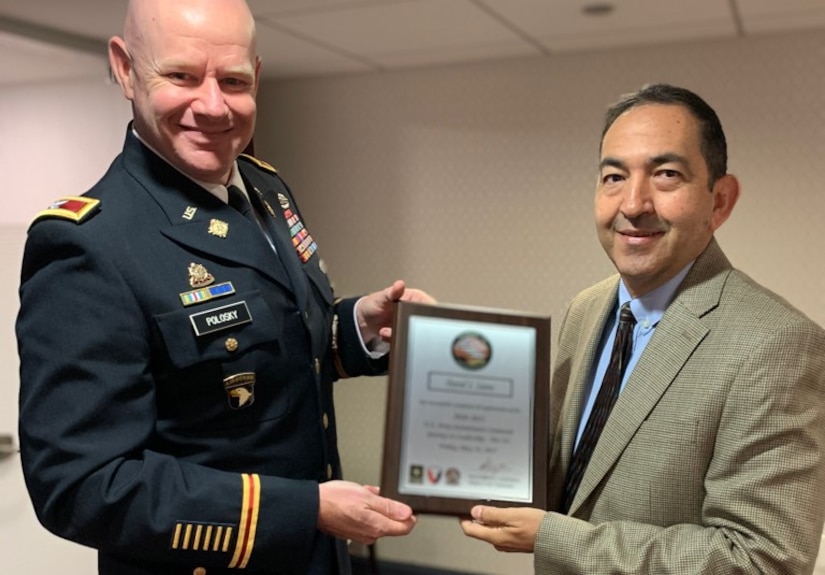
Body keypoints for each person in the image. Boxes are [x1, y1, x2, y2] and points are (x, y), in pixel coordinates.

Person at [16, 1, 432, 574]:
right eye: (181, 76)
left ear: (256, 77)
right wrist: (302, 508)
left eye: (233, 81)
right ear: (124, 67)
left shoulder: (265, 188)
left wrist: (359, 325)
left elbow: (274, 344)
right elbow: (82, 486)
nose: (213, 106)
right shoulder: (90, 245)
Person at [460, 84, 825, 574]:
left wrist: (556, 538)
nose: (633, 203)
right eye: (614, 176)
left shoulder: (778, 346)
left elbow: (761, 561)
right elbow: (572, 478)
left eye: (666, 175)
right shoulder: (585, 310)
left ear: (720, 201)